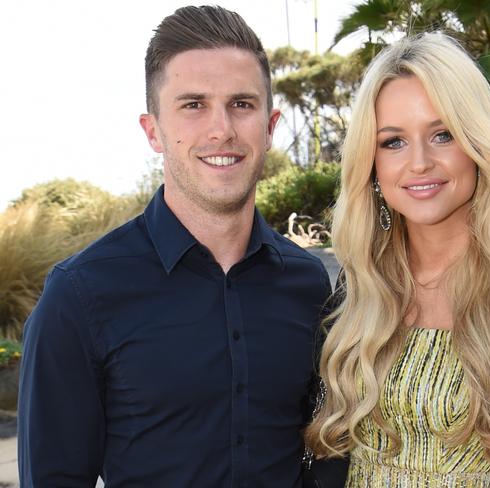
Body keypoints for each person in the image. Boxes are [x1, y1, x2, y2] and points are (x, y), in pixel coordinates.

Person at [18, 5, 331, 487]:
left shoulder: (309, 285)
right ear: (153, 131)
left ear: (269, 127)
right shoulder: (80, 296)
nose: (221, 129)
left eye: (242, 104)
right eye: (193, 105)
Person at [305, 32, 490, 487]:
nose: (419, 162)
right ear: (371, 164)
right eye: (393, 142)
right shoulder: (360, 291)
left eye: (443, 135)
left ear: (478, 145)